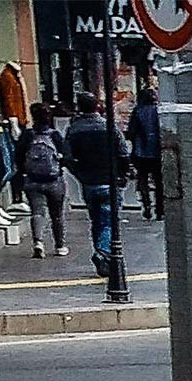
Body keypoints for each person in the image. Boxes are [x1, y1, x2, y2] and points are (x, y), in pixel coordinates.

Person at [64, 93, 126, 276]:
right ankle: (103, 251)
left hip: (89, 182)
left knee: (96, 220)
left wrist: (80, 174)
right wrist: (123, 173)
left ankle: (102, 257)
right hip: (109, 180)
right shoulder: (108, 126)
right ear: (97, 106)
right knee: (109, 221)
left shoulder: (74, 129)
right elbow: (122, 152)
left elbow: (67, 157)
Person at [15, 104, 69, 259]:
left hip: (32, 180)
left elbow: (18, 155)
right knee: (57, 214)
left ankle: (38, 242)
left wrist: (24, 171)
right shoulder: (55, 135)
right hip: (54, 180)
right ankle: (60, 245)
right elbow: (66, 154)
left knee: (37, 212)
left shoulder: (27, 135)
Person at [125, 88, 161, 220]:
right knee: (159, 181)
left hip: (141, 151)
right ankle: (160, 209)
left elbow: (131, 132)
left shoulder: (138, 111)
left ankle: (147, 205)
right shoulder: (159, 111)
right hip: (157, 151)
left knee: (143, 179)